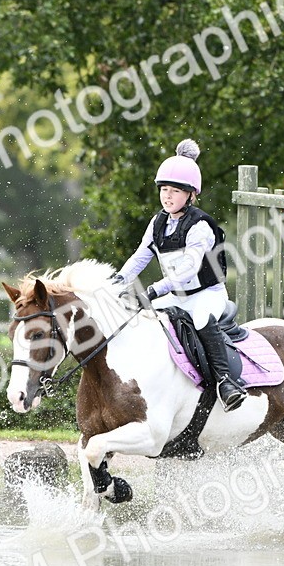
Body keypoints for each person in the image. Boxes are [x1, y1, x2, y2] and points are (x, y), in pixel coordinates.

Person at [112, 138, 247, 412]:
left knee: (201, 319)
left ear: (190, 194)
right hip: (176, 296)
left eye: (175, 191)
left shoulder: (200, 226)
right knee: (138, 318)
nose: (168, 196)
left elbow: (188, 269)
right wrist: (117, 280)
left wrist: (155, 289)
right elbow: (140, 256)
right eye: (164, 189)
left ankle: (226, 382)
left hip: (207, 295)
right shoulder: (158, 222)